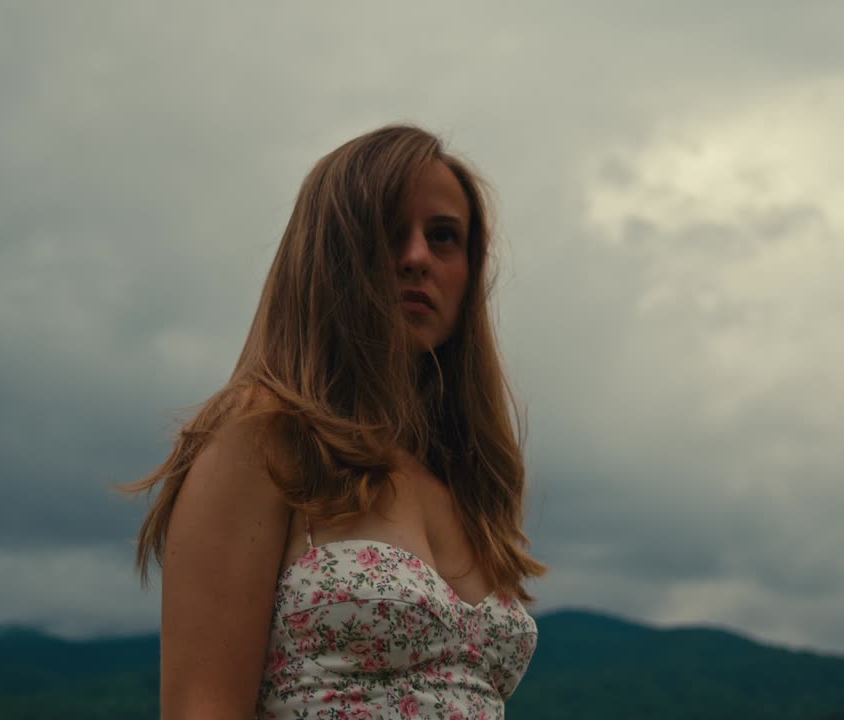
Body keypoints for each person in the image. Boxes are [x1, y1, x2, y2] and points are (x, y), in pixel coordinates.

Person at [123, 124, 547, 719]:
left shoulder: (464, 485)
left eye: (445, 236)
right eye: (388, 231)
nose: (418, 257)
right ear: (333, 252)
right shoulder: (265, 439)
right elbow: (203, 707)